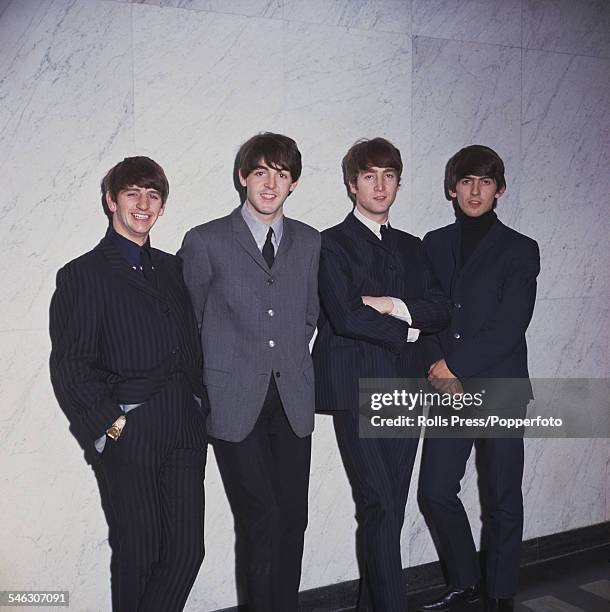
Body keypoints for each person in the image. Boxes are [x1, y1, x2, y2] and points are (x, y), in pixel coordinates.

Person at [49, 156, 208, 612]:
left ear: (162, 207)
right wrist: (110, 428)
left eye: (153, 196)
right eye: (133, 193)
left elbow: (192, 339)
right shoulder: (82, 274)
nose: (143, 204)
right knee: (139, 553)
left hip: (185, 426)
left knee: (186, 552)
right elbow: (71, 365)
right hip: (131, 429)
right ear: (111, 200)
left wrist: (200, 404)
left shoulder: (173, 269)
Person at [178, 132, 320, 612]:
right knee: (260, 517)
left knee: (293, 520)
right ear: (243, 177)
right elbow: (189, 322)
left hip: (293, 401)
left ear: (293, 183)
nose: (270, 183)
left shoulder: (310, 241)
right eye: (261, 171)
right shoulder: (205, 240)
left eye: (281, 174)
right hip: (234, 402)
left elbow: (308, 314)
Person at [312, 138, 451, 611]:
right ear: (352, 185)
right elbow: (347, 316)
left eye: (388, 175)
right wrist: (411, 332)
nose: (380, 185)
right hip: (357, 387)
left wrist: (391, 305)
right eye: (369, 176)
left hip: (407, 388)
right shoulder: (329, 242)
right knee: (379, 504)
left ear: (398, 183)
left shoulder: (413, 247)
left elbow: (439, 309)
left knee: (390, 505)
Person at [418, 145, 540, 612]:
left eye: (485, 182)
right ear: (453, 188)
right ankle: (466, 579)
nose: (475, 190)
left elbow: (511, 325)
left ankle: (501, 593)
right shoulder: (433, 244)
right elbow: (427, 312)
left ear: (500, 189)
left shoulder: (520, 249)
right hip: (448, 385)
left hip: (500, 386)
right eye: (466, 181)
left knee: (502, 494)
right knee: (435, 489)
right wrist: (436, 367)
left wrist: (455, 367)